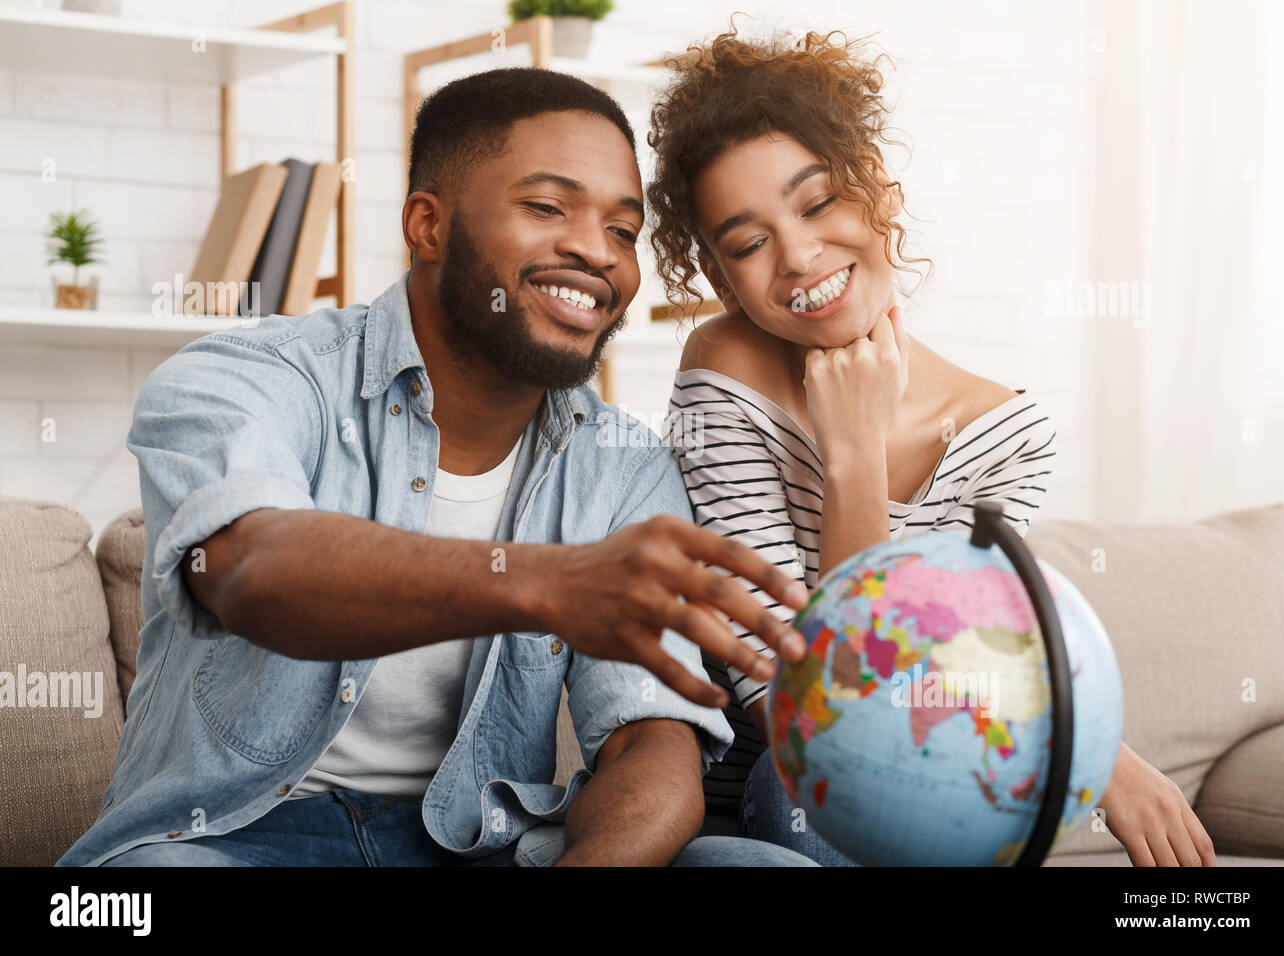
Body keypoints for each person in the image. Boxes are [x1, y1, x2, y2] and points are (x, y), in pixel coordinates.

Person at [57, 67, 819, 868]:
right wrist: (548, 580)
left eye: (624, 230)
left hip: (485, 849)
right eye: (547, 207)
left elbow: (650, 743)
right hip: (228, 841)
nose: (597, 252)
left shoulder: (621, 467)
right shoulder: (247, 378)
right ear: (427, 225)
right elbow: (252, 571)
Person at [647, 25, 1218, 867]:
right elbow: (808, 704)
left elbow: (969, 686)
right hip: (771, 802)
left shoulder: (1007, 436)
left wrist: (1097, 752)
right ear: (720, 274)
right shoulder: (726, 371)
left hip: (932, 804)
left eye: (818, 203)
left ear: (877, 185)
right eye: (748, 243)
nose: (799, 256)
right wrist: (851, 453)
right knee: (795, 782)